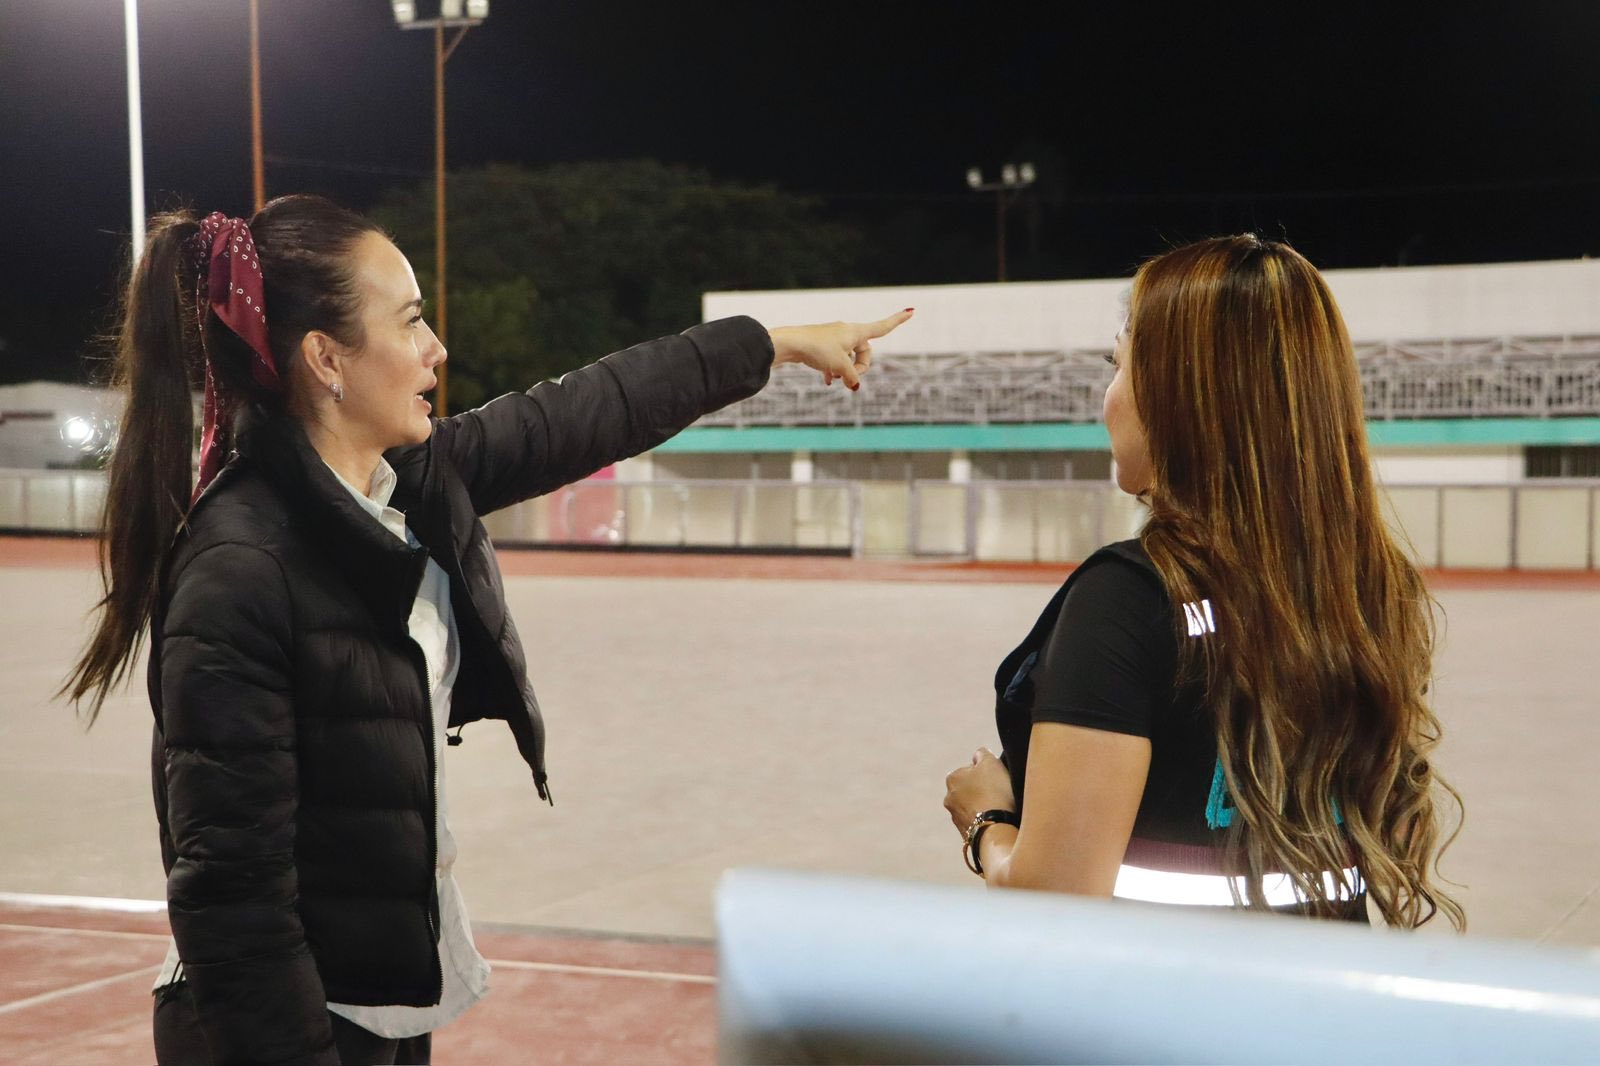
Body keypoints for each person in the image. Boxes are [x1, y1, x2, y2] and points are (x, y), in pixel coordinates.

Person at [62, 194, 912, 1065]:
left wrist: (774, 343)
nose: (436, 348)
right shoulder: (238, 570)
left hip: (380, 996)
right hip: (281, 1022)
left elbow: (590, 409)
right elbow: (233, 900)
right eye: (410, 321)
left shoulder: (407, 482)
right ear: (326, 358)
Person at [943, 234, 1463, 928]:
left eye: (1118, 365)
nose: (1108, 399)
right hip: (1325, 985)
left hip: (1161, 990)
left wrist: (986, 818)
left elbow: (1055, 898)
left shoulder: (1130, 599)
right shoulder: (1371, 589)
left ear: (1177, 398)